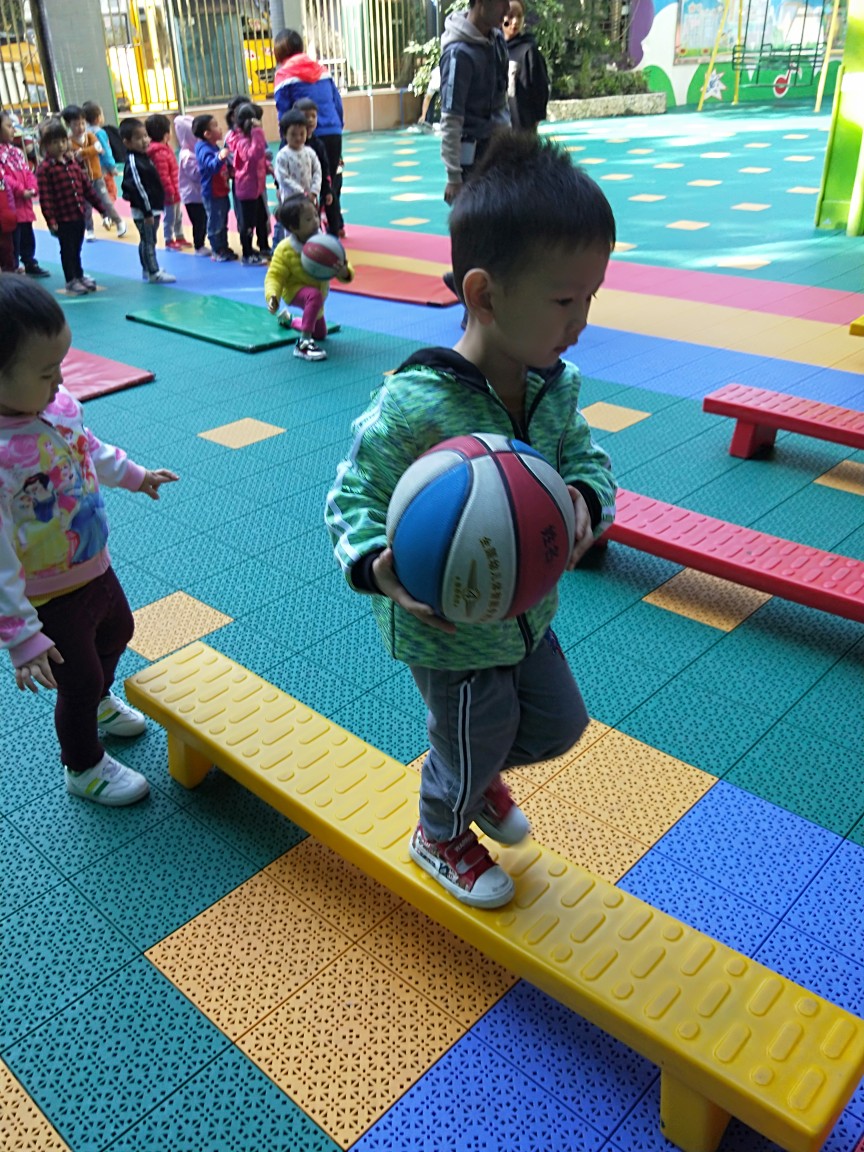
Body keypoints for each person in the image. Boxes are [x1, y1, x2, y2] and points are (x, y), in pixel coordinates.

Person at [325, 133, 617, 908]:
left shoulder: (554, 386)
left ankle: (473, 774)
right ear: (484, 294)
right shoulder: (414, 404)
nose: (582, 321)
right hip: (449, 627)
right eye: (565, 301)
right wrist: (376, 563)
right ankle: (440, 832)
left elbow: (590, 463)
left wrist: (584, 500)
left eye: (592, 297)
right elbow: (349, 497)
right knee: (472, 729)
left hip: (524, 612)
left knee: (558, 724)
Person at [0, 274, 179, 806]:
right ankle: (82, 766)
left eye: (62, 364)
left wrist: (136, 475)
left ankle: (100, 700)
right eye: (45, 372)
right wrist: (21, 635)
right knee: (75, 679)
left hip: (92, 562)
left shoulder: (56, 406)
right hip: (46, 595)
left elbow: (90, 450)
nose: (60, 380)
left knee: (118, 630)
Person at [36, 119, 124, 296]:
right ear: (45, 146)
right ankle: (71, 280)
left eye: (63, 141)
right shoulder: (45, 169)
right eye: (54, 142)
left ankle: (79, 275)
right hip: (62, 218)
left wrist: (102, 209)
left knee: (77, 248)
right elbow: (46, 198)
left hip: (78, 214)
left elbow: (87, 189)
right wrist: (51, 221)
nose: (60, 146)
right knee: (67, 250)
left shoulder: (72, 163)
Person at [273, 29, 345, 237]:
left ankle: (305, 228)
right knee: (328, 179)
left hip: (302, 134)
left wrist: (287, 138)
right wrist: (337, 128)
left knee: (304, 179)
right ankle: (336, 227)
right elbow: (337, 103)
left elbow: (283, 112)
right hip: (332, 131)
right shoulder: (322, 70)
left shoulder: (284, 75)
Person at [265, 194, 352, 362]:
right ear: (293, 227)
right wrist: (273, 296)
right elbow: (274, 276)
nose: (315, 221)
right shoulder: (285, 249)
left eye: (315, 215)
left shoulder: (325, 244)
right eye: (308, 219)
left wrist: (344, 273)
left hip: (318, 295)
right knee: (313, 295)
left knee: (320, 334)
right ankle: (303, 344)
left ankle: (289, 320)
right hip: (294, 291)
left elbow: (342, 267)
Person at [439, 0, 511, 205]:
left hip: (500, 152)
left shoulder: (497, 41)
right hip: (472, 161)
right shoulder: (458, 55)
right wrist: (454, 177)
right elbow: (451, 118)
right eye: (502, 2)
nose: (507, 9)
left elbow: (501, 99)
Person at [119, 118, 176, 285]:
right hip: (145, 211)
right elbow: (138, 188)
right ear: (127, 142)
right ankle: (153, 272)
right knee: (149, 241)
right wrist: (147, 212)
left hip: (152, 208)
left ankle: (147, 268)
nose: (145, 140)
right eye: (139, 138)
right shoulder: (133, 162)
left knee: (148, 240)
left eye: (145, 136)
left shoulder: (143, 157)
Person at [0, 109, 49, 277]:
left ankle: (29, 261)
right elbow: (4, 178)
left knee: (27, 234)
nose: (13, 130)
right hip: (10, 205)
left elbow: (27, 171)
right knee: (12, 238)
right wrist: (21, 191)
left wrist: (33, 187)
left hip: (25, 203)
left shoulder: (16, 152)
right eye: (8, 126)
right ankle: (12, 266)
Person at [225, 101, 272, 264]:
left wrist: (267, 167)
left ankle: (264, 246)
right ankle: (247, 253)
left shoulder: (248, 137)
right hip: (247, 189)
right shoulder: (241, 140)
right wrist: (258, 132)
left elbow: (260, 158)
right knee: (248, 223)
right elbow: (253, 155)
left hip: (256, 188)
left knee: (262, 218)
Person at [60, 104, 115, 240]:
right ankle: (90, 229)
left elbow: (98, 148)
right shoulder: (69, 141)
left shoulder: (89, 136)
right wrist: (87, 152)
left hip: (96, 174)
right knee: (86, 205)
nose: (80, 127)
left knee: (105, 198)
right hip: (81, 179)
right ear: (68, 125)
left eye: (82, 123)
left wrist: (83, 152)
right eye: (76, 125)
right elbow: (74, 156)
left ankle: (109, 218)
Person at [192, 114, 234, 262]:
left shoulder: (213, 146)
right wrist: (220, 157)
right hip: (212, 193)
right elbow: (211, 167)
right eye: (215, 125)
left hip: (221, 190)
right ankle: (217, 250)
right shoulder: (203, 149)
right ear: (207, 134)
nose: (220, 128)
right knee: (215, 222)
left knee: (223, 221)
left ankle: (223, 246)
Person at [503, 0, 550, 132]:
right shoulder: (493, 48)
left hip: (522, 128)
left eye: (519, 16)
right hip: (497, 127)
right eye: (510, 16)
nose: (515, 21)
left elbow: (540, 88)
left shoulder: (528, 51)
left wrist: (535, 120)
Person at [293, 98, 337, 236]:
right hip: (293, 193)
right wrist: (278, 187)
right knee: (293, 220)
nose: (311, 120)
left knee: (313, 218)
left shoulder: (318, 144)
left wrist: (327, 190)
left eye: (314, 116)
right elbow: (282, 169)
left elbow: (323, 169)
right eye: (306, 116)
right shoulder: (289, 145)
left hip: (313, 192)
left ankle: (316, 240)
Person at [144, 113, 188, 251]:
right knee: (170, 217)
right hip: (169, 192)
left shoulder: (166, 148)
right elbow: (163, 175)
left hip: (175, 189)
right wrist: (169, 191)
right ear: (166, 134)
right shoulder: (159, 153)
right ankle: (169, 239)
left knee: (178, 215)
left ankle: (179, 235)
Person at [174, 114, 208, 255]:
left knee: (204, 219)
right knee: (199, 221)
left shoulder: (196, 151)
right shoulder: (187, 155)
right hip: (192, 196)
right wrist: (207, 168)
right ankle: (199, 245)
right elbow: (195, 174)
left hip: (199, 194)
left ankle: (202, 242)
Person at [82, 101, 121, 212]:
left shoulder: (84, 133)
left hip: (91, 169)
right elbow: (106, 151)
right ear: (98, 118)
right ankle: (109, 213)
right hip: (103, 168)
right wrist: (112, 167)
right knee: (110, 191)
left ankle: (104, 211)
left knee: (99, 191)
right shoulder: (100, 133)